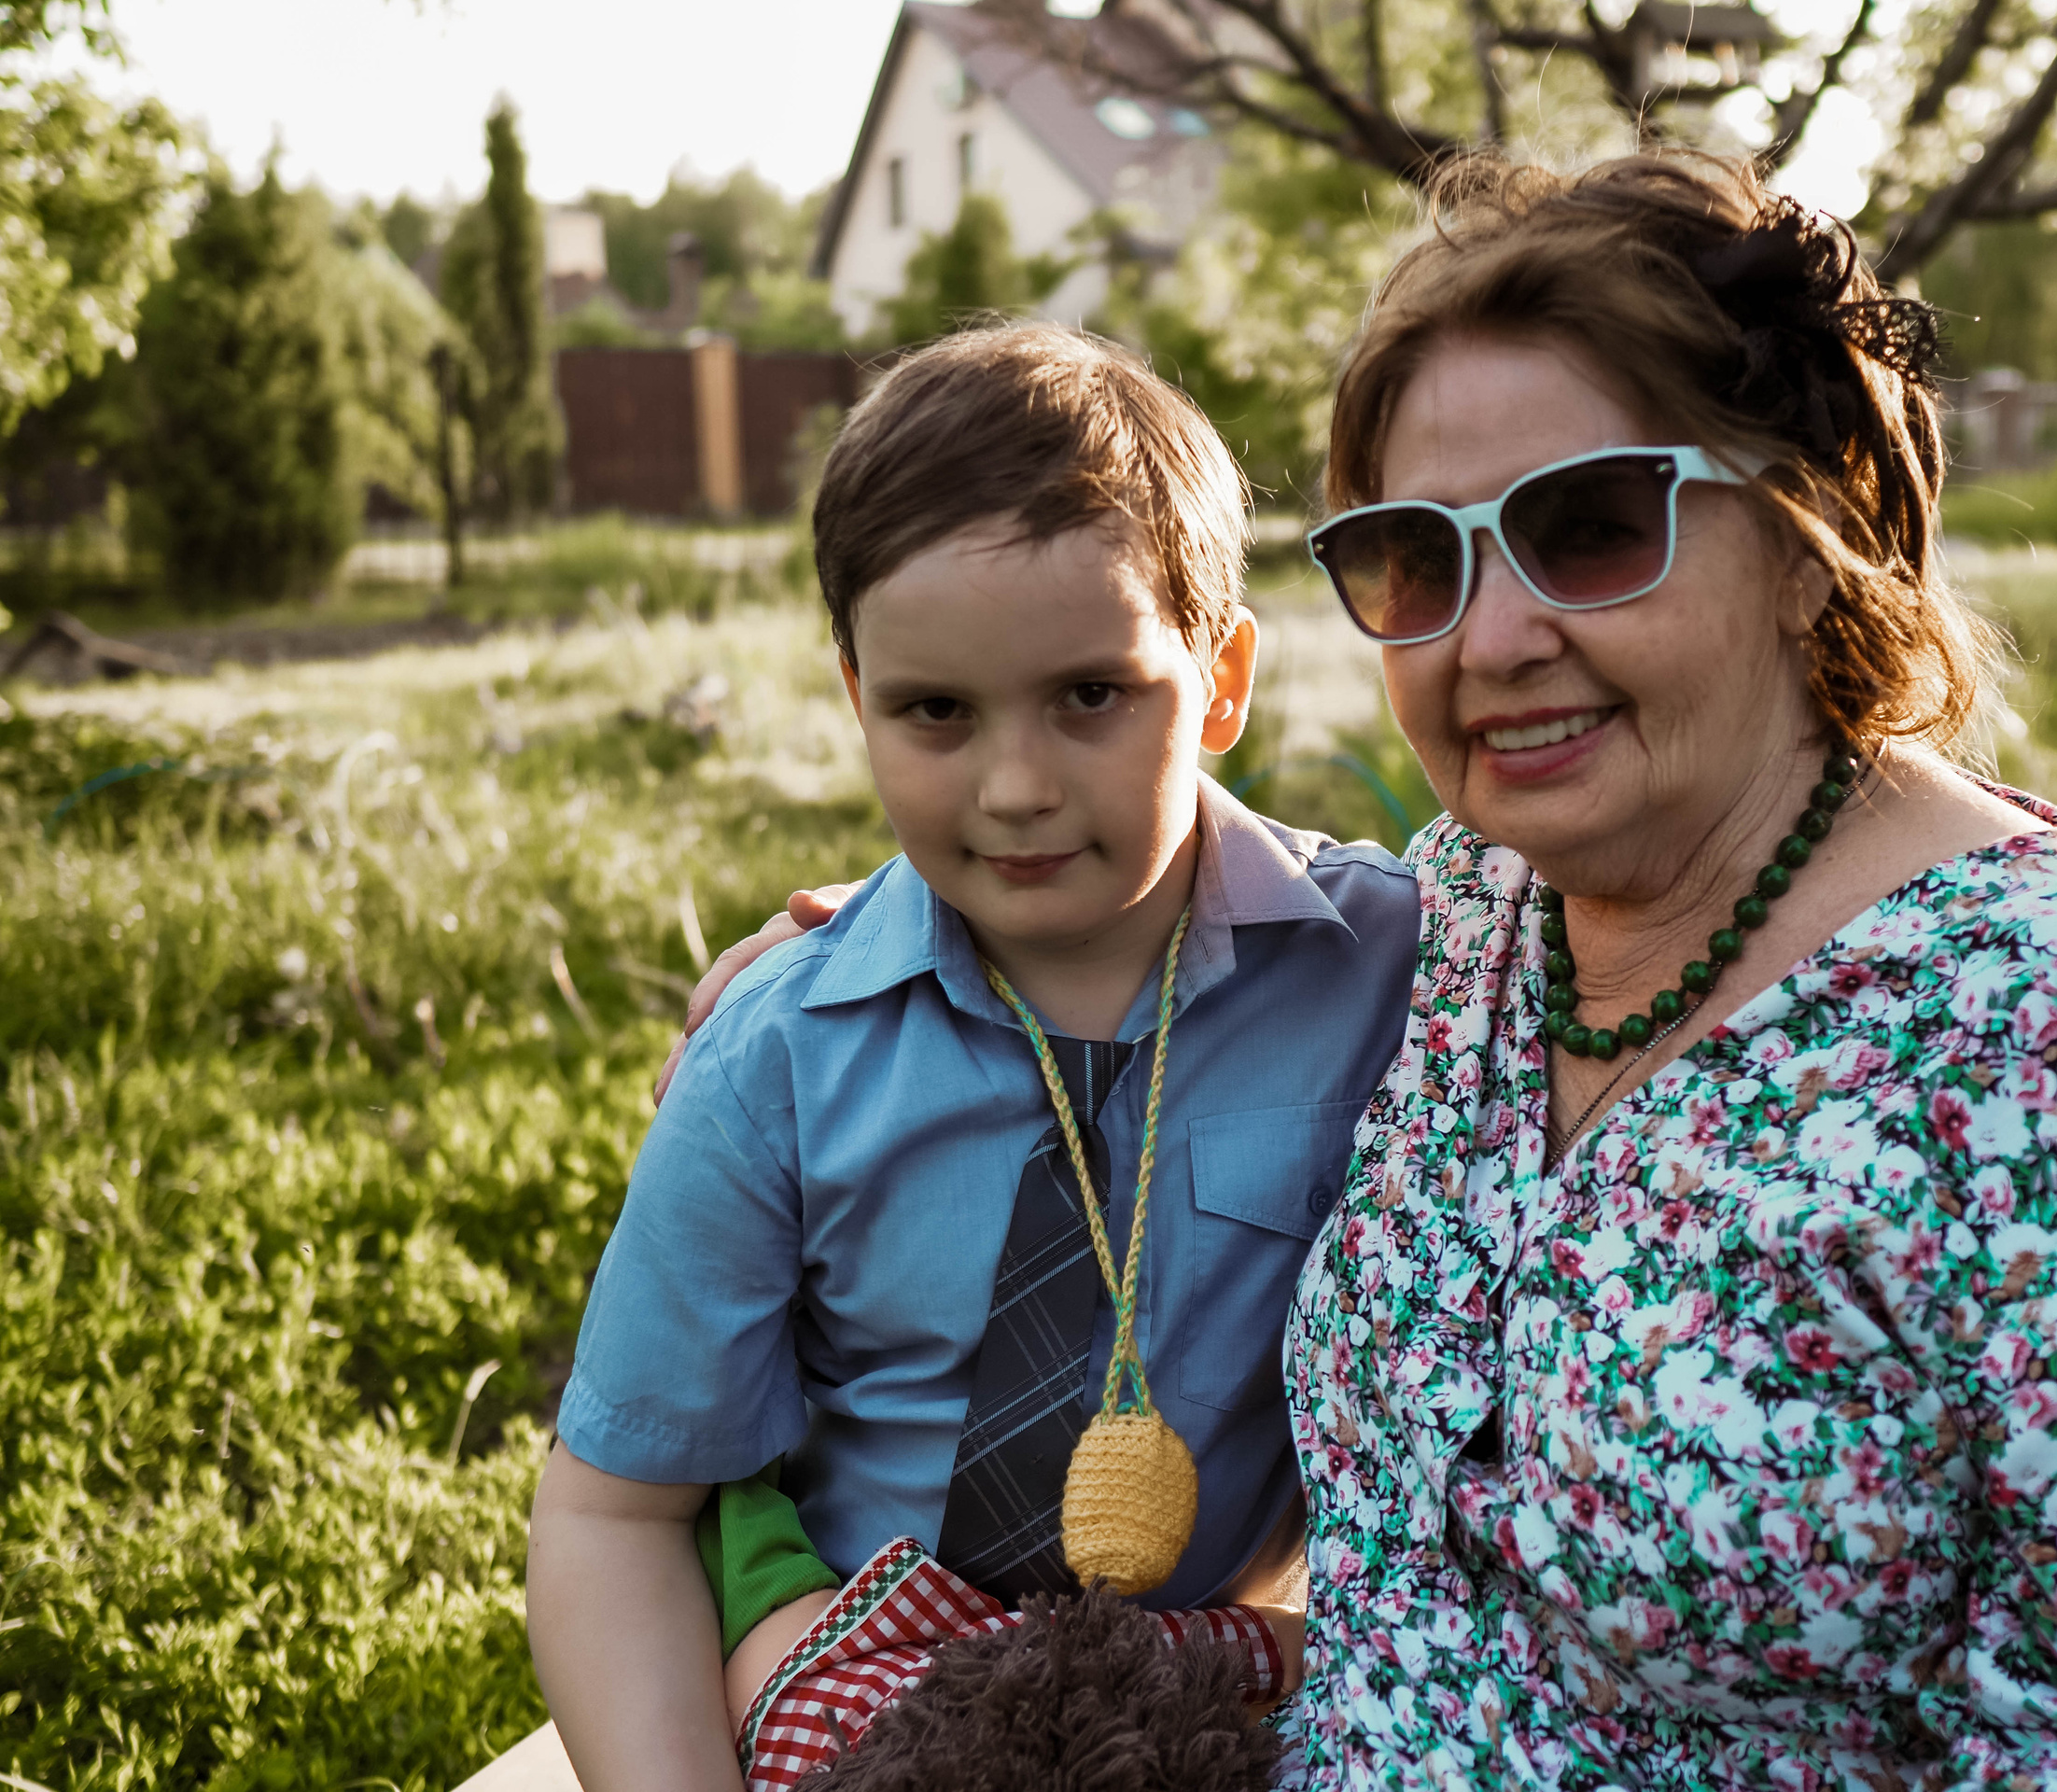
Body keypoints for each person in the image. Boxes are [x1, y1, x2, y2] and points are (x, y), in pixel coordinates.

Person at [688, 151, 2057, 1788]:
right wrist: (911, 941)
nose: (1490, 640)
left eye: (1587, 527)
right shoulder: (1473, 920)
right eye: (1420, 559)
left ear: (1808, 531)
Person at [527, 323, 1419, 1790]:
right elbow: (615, 1513)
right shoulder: (785, 1052)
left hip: (1205, 1684)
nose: (1015, 789)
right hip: (853, 1679)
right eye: (935, 712)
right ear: (855, 697)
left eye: (1091, 696)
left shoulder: (1392, 963)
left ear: (1222, 680)